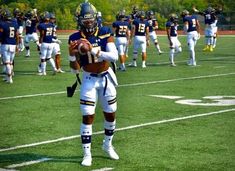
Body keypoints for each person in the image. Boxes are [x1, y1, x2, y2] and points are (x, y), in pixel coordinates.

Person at [68, 2, 119, 166]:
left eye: (90, 19)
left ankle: (107, 145)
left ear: (96, 18)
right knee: (88, 115)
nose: (88, 23)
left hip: (106, 77)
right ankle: (87, 154)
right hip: (89, 78)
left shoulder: (104, 32)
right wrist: (71, 55)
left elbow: (114, 56)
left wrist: (93, 50)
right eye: (85, 20)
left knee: (110, 112)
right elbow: (75, 70)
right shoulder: (75, 38)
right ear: (80, 20)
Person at [0, 9, 19, 83]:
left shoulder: (2, 24)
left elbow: (0, 35)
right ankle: (7, 77)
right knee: (10, 62)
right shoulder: (15, 24)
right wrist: (17, 45)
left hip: (5, 44)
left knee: (7, 62)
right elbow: (17, 36)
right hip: (13, 44)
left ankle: (10, 78)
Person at [37, 11, 57, 75]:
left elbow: (42, 34)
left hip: (45, 43)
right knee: (49, 57)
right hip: (50, 43)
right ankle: (54, 68)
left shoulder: (41, 25)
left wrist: (40, 43)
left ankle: (43, 72)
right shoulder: (52, 25)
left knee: (43, 58)